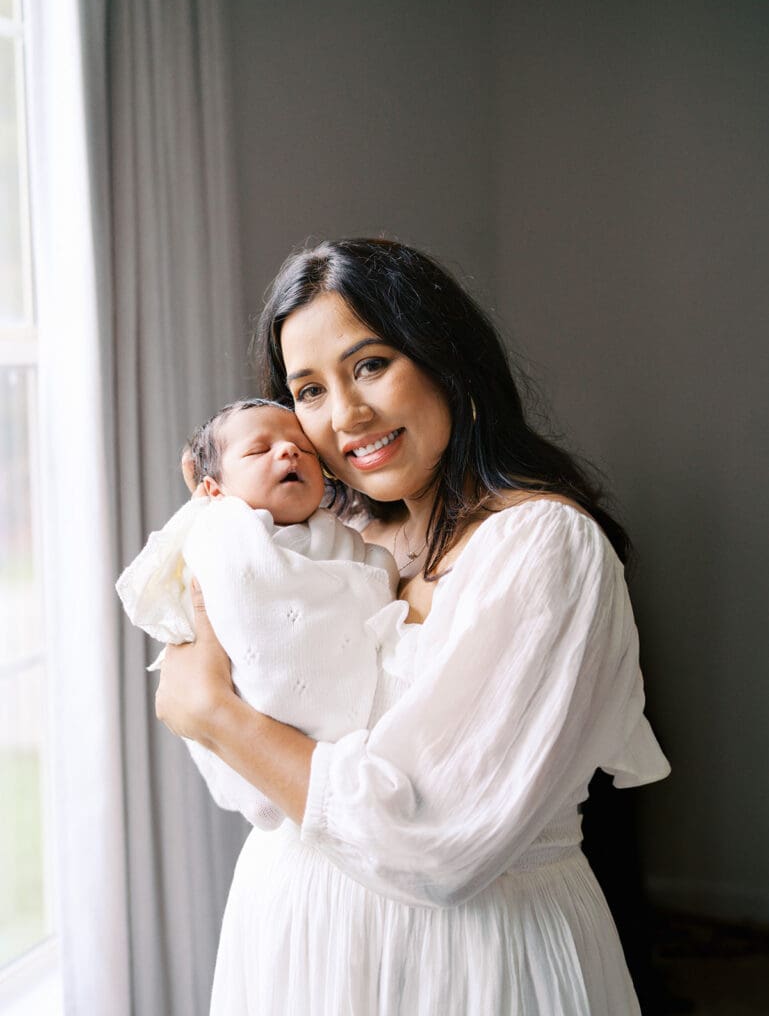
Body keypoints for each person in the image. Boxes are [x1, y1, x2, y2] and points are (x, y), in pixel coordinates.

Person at [155, 239, 671, 1015]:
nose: (347, 415)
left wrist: (217, 714)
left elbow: (440, 845)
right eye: (309, 390)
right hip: (293, 938)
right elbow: (245, 786)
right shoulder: (321, 546)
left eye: (369, 365)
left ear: (447, 362)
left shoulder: (542, 546)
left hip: (474, 959)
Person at [117, 398, 397, 828]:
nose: (288, 453)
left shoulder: (338, 534)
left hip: (348, 746)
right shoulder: (224, 530)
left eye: (302, 450)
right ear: (213, 490)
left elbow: (369, 577)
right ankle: (264, 776)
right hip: (257, 709)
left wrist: (375, 572)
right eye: (258, 450)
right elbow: (236, 589)